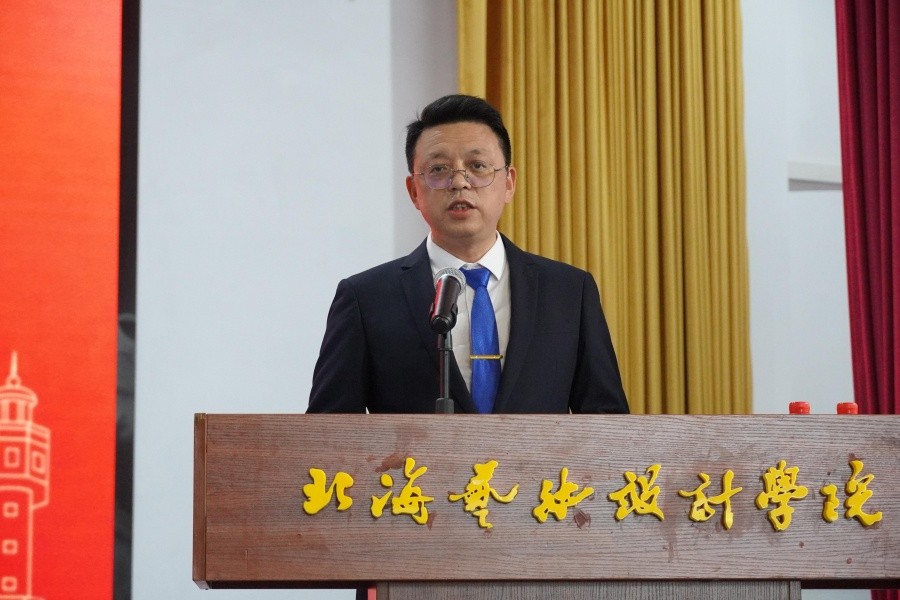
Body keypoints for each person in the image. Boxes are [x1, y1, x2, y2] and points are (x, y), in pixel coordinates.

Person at [307, 94, 628, 415]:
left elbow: (607, 422)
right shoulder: (366, 299)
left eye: (477, 166)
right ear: (414, 191)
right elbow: (327, 430)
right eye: (439, 169)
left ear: (509, 183)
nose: (459, 182)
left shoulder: (569, 292)